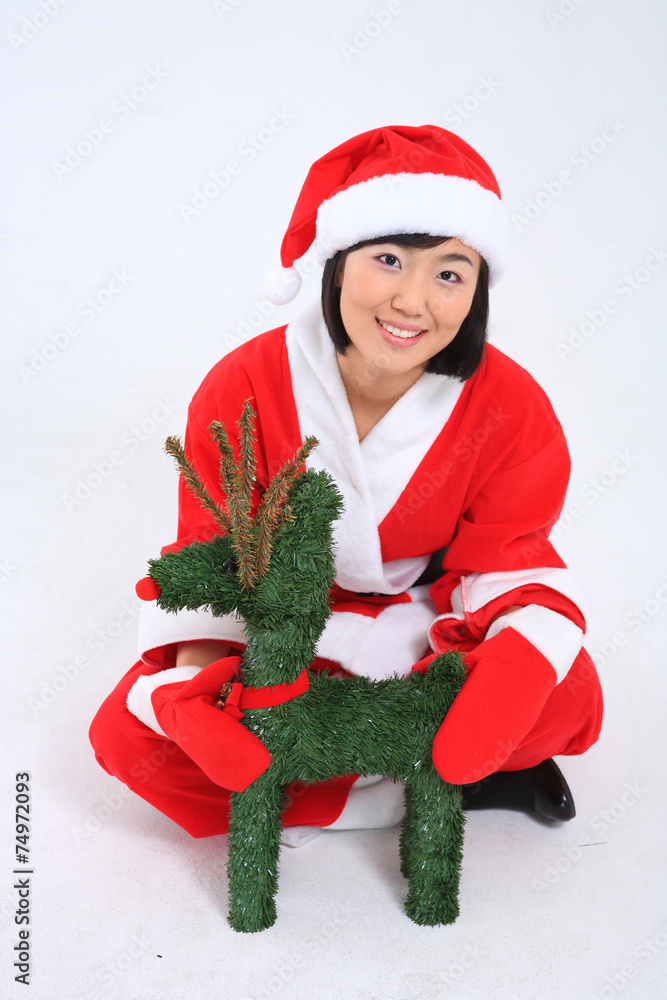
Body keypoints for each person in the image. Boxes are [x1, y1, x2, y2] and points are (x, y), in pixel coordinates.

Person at [89, 125, 603, 843]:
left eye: (449, 274)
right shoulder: (244, 384)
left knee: (565, 690)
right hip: (286, 630)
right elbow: (218, 554)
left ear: (477, 292)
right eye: (388, 260)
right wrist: (193, 692)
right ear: (336, 264)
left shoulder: (510, 406)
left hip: (430, 628)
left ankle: (318, 783)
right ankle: (430, 786)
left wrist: (512, 668)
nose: (412, 302)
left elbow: (507, 558)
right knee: (130, 736)